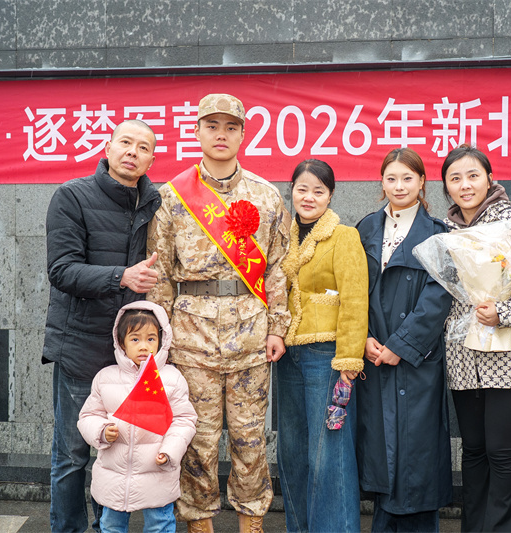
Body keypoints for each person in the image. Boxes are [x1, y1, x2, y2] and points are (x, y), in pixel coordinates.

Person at [147, 93, 291, 533]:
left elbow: (277, 267)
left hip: (251, 335)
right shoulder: (172, 197)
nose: (221, 134)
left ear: (244, 134)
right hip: (191, 339)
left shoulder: (266, 196)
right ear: (196, 131)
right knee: (198, 439)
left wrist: (278, 327)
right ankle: (199, 522)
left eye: (231, 127)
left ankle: (252, 521)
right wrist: (161, 340)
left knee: (250, 438)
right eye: (212, 126)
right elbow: (160, 273)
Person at [43, 119, 162, 533]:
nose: (132, 152)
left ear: (151, 160)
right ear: (108, 148)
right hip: (80, 348)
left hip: (130, 356)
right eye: (125, 142)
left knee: (119, 452)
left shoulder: (156, 204)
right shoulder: (72, 196)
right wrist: (121, 277)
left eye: (143, 147)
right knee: (73, 454)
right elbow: (61, 270)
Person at [440, 145, 511, 532]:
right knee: (473, 450)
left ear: (490, 178)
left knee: (500, 450)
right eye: (455, 178)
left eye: (473, 175)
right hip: (462, 353)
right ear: (445, 186)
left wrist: (502, 312)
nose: (465, 185)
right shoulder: (444, 231)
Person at [355, 147, 453, 532]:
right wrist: (362, 337)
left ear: (422, 182)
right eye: (391, 178)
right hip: (374, 356)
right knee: (382, 452)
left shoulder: (437, 233)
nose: (399, 186)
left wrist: (402, 345)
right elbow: (352, 290)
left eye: (407, 178)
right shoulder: (365, 229)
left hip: (416, 360)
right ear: (381, 182)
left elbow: (438, 296)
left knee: (415, 454)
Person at [276, 159, 369, 533]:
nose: (309, 197)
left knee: (330, 454)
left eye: (319, 190)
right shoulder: (282, 237)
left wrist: (349, 359)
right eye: (302, 189)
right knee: (293, 451)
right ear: (291, 191)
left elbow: (355, 299)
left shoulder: (344, 237)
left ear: (330, 195)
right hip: (288, 354)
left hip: (327, 356)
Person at [78, 300, 198, 533]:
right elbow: (89, 415)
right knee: (111, 525)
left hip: (157, 472)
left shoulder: (171, 378)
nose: (144, 346)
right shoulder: (105, 378)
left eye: (151, 338)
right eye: (135, 339)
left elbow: (184, 420)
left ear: (162, 340)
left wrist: (170, 451)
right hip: (113, 476)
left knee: (159, 525)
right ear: (121, 342)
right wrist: (101, 431)